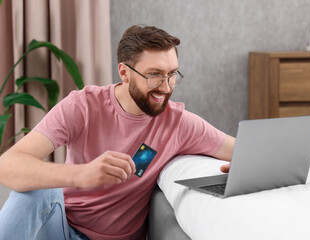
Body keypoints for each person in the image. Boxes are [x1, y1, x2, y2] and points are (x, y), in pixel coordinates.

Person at [0, 25, 235, 240]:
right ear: (124, 73)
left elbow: (242, 150)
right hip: (62, 229)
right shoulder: (82, 106)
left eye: (172, 74)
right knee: (37, 191)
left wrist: (240, 168)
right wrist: (81, 174)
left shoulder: (179, 123)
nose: (165, 87)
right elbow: (7, 166)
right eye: (154, 75)